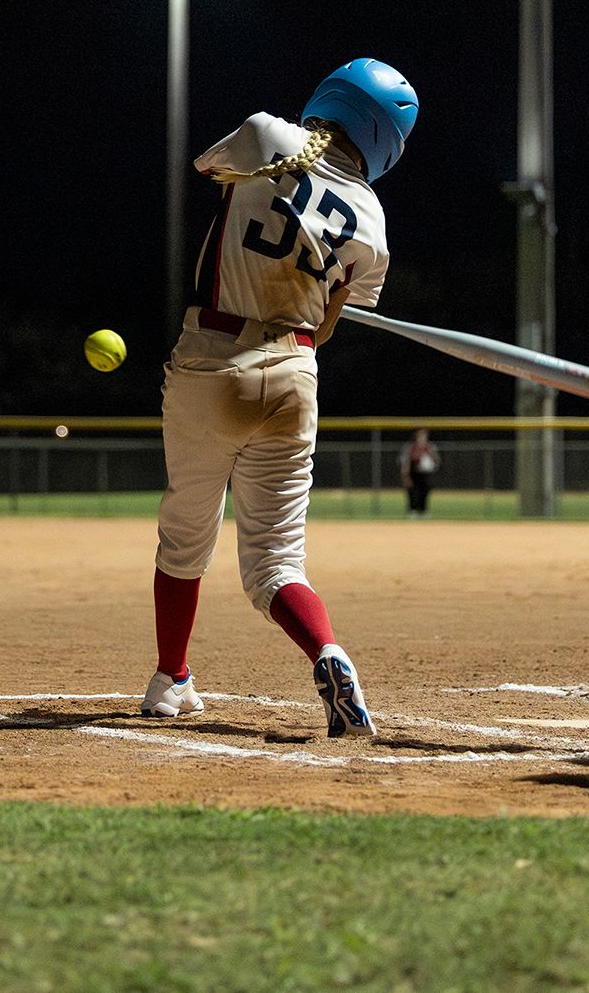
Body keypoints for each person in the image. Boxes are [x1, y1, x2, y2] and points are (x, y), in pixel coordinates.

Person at [141, 58, 417, 738]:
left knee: (185, 540)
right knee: (276, 560)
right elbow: (326, 325)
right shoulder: (374, 223)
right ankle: (327, 651)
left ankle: (171, 678)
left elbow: (211, 172)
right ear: (385, 140)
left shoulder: (266, 135)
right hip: (294, 372)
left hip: (211, 358)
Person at [399, 426, 439, 518]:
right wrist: (405, 475)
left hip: (425, 473)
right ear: (416, 436)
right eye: (420, 435)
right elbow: (405, 462)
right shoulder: (410, 447)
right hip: (413, 472)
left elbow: (436, 461)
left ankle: (422, 511)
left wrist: (431, 461)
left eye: (424, 435)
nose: (422, 437)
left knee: (424, 491)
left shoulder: (430, 447)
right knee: (412, 491)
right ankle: (412, 510)